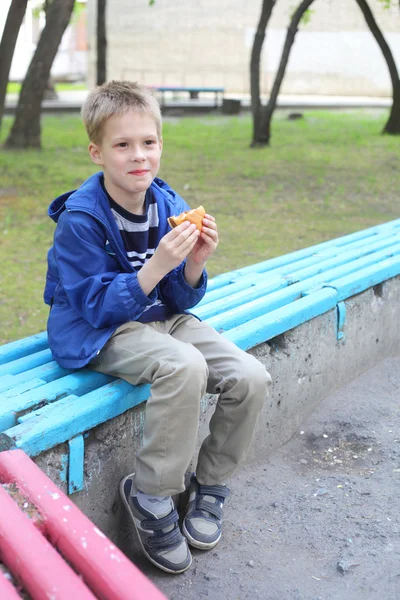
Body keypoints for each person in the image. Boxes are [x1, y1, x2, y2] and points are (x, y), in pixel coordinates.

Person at [44, 80, 272, 575]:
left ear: (161, 146)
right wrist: (152, 268)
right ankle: (151, 496)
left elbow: (178, 297)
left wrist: (193, 265)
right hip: (98, 332)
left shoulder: (167, 204)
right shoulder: (80, 220)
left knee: (251, 376)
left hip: (160, 320)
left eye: (148, 143)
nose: (138, 156)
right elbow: (94, 306)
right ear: (97, 153)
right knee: (183, 365)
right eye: (122, 145)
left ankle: (209, 487)